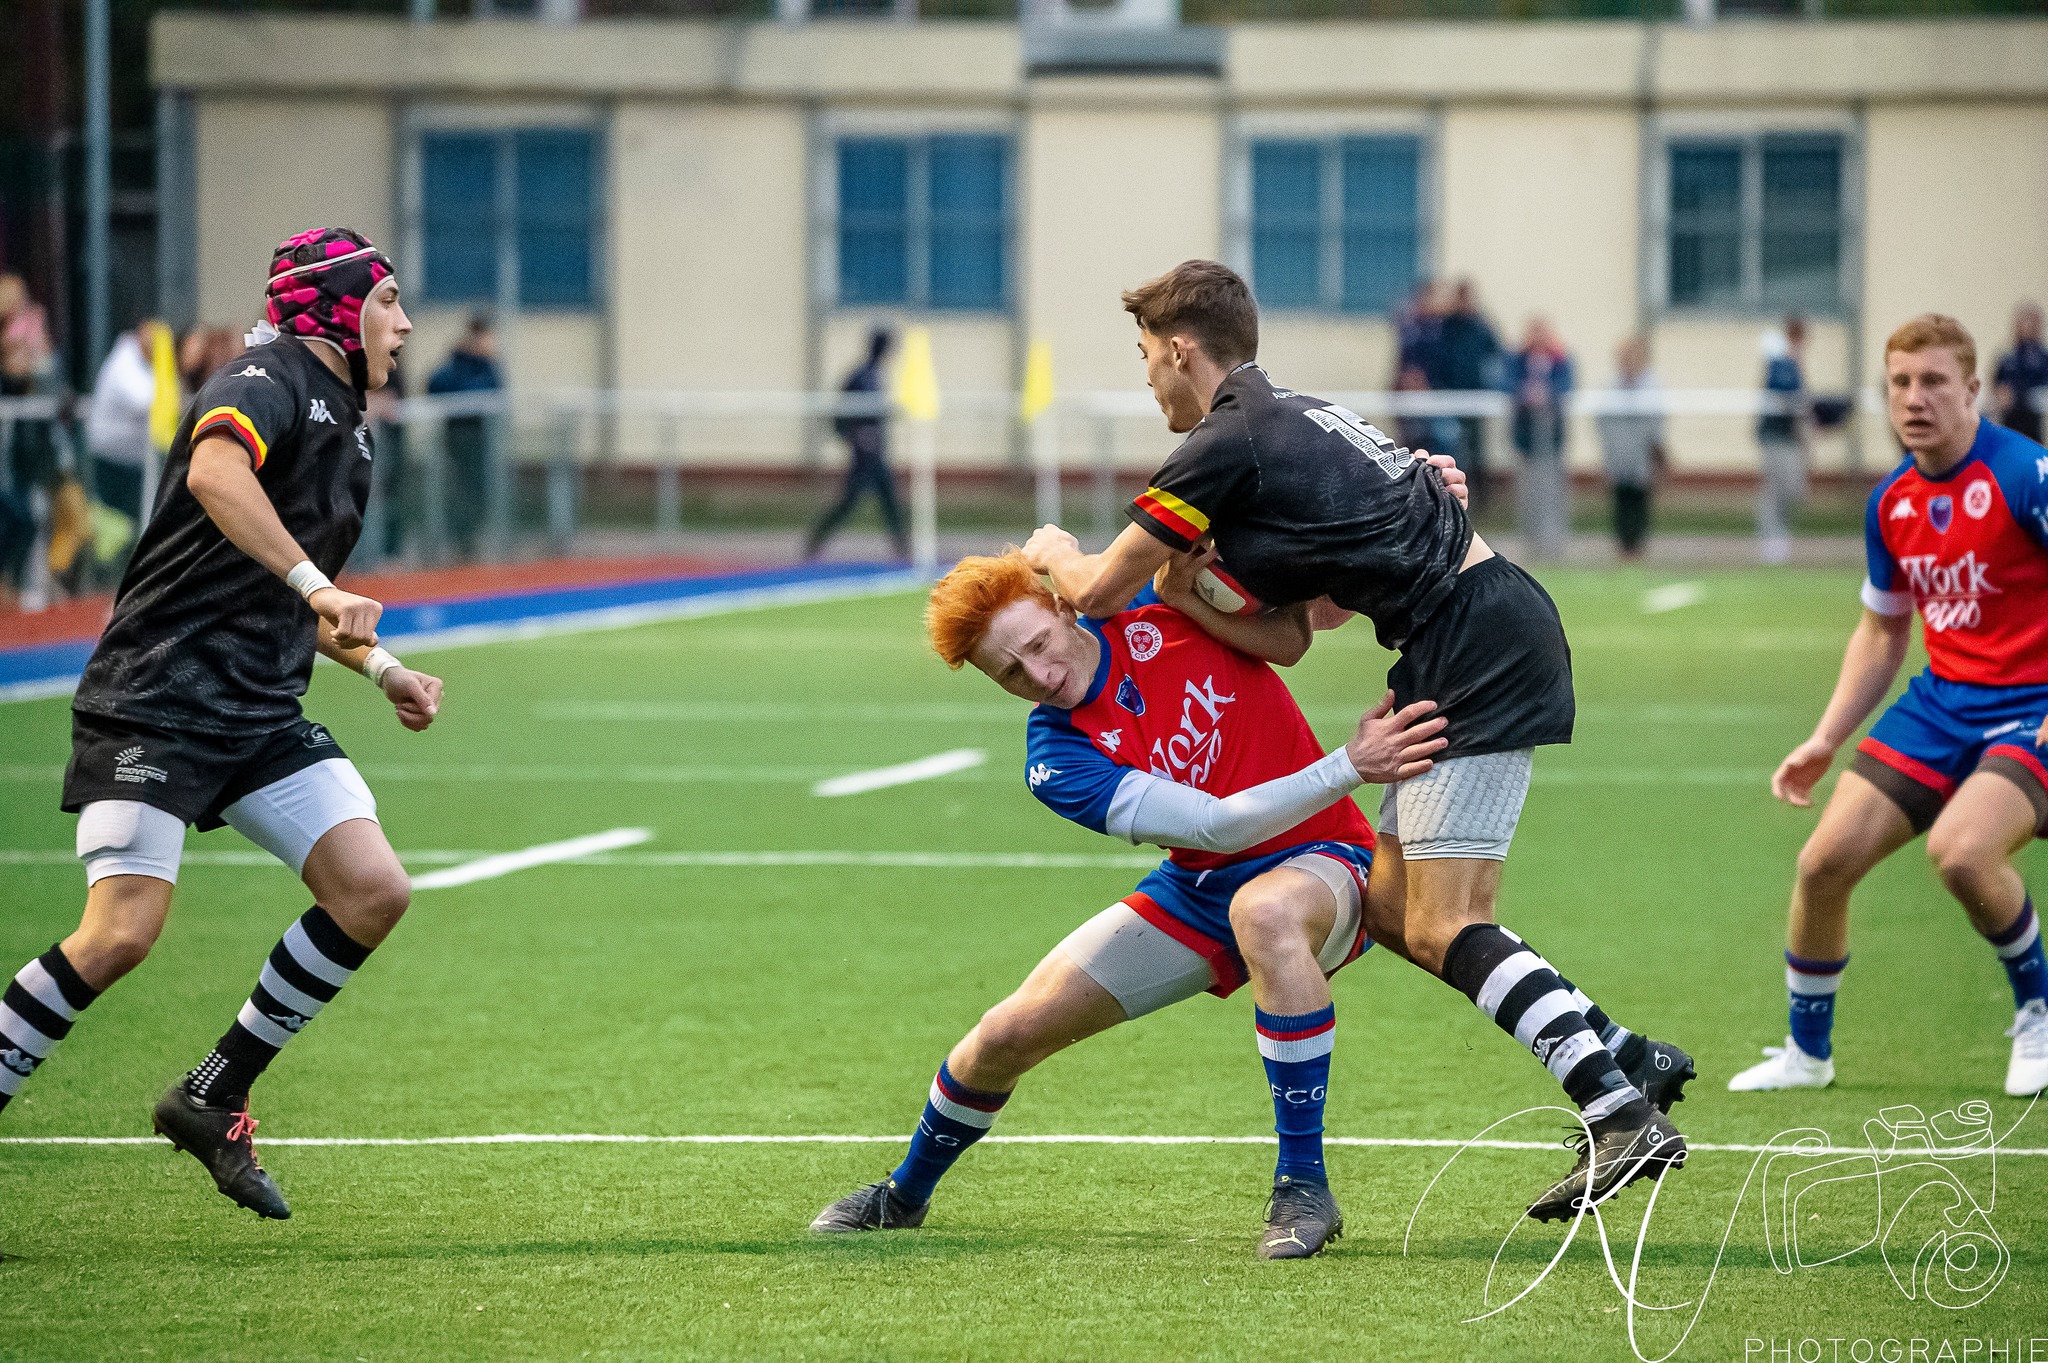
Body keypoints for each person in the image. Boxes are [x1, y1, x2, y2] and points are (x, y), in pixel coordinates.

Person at [1021, 260, 1691, 1223]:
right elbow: (1295, 633)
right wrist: (1179, 588)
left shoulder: (1223, 442)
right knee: (1387, 909)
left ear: (1179, 348)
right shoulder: (1291, 420)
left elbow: (1090, 592)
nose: (1148, 381)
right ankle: (1625, 1056)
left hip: (1474, 638)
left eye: (1145, 359)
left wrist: (1049, 550)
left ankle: (1616, 1110)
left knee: (1445, 922)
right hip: (1465, 631)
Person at [813, 550, 1452, 1256]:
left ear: (1063, 606)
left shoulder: (1159, 598)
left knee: (1265, 914)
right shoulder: (1057, 759)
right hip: (1203, 882)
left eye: (1038, 645)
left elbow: (1312, 602)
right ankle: (904, 1195)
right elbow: (1216, 825)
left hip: (1323, 854)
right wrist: (1349, 764)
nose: (1043, 676)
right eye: (1011, 674)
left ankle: (1303, 1185)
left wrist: (1412, 500)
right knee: (1003, 1035)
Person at [0, 227, 445, 1221]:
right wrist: (319, 583)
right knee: (119, 935)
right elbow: (214, 475)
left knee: (371, 889)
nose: (405, 323)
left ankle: (214, 1092)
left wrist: (379, 666)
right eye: (386, 301)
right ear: (335, 308)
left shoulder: (353, 428)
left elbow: (295, 596)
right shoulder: (267, 374)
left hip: (254, 707)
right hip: (156, 694)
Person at [1731, 314, 2048, 1099]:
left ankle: (2039, 1013)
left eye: (1934, 381)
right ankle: (1808, 1055)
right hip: (1943, 706)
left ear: (1973, 389)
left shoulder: (2026, 475)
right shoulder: (1892, 504)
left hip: (2031, 707)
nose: (1915, 398)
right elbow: (1882, 632)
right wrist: (1825, 737)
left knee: (1964, 853)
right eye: (1901, 383)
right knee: (1823, 863)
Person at [806, 326, 909, 562]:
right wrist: (855, 438)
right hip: (864, 456)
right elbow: (841, 414)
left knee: (889, 499)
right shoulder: (859, 376)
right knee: (848, 501)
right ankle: (815, 541)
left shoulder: (876, 375)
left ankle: (903, 548)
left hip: (877, 454)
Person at [426, 313, 502, 561]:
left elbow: (493, 390)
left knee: (477, 491)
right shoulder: (456, 364)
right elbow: (436, 385)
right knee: (457, 490)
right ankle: (456, 540)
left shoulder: (488, 366)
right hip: (457, 437)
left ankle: (471, 540)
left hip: (481, 438)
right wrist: (464, 356)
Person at [1504, 318, 1573, 561]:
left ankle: (1554, 543)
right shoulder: (1517, 360)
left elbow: (1566, 386)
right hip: (1526, 439)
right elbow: (1506, 384)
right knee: (1527, 493)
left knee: (1553, 492)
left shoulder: (1560, 360)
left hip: (1552, 439)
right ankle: (1530, 544)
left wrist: (1547, 394)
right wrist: (1525, 393)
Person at [85, 321, 166, 523]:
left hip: (132, 461)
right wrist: (166, 366)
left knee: (135, 523)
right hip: (113, 461)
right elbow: (144, 400)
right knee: (116, 527)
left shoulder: (141, 363)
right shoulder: (124, 362)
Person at [1595, 335, 1665, 562]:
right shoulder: (1611, 385)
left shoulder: (1651, 385)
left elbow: (1657, 420)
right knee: (1621, 499)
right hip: (1618, 450)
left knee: (1639, 499)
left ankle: (1639, 545)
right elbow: (1602, 419)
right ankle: (1623, 546)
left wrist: (1657, 451)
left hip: (1641, 452)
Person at [1437, 279, 1500, 512]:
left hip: (1475, 398)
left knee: (1476, 449)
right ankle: (1451, 498)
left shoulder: (1481, 327)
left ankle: (1481, 500)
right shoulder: (1446, 327)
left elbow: (1495, 356)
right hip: (1450, 398)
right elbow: (1439, 359)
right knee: (1452, 449)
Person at [1756, 316, 1808, 565]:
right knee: (1775, 488)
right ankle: (1771, 539)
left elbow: (1800, 403)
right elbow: (1780, 393)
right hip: (1774, 434)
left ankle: (1779, 532)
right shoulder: (1778, 360)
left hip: (1791, 436)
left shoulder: (1796, 362)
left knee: (1794, 488)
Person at [1992, 302, 2047, 445]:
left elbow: (2041, 396)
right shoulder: (2007, 357)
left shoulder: (2043, 358)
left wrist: (2019, 397)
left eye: (2030, 322)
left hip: (2033, 423)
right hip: (2009, 422)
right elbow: (1997, 385)